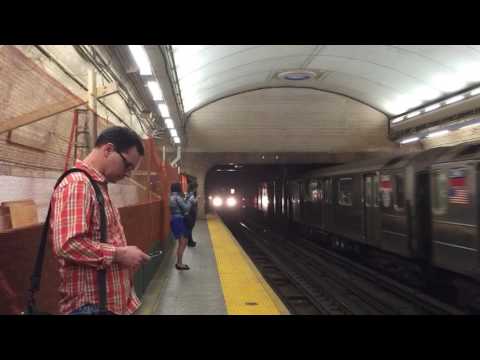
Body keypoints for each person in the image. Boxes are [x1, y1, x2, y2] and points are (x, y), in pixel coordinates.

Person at [49, 126, 151, 315]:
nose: (128, 173)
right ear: (108, 150)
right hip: (91, 306)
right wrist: (120, 254)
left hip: (104, 305)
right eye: (127, 165)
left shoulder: (96, 186)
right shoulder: (79, 184)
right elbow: (67, 244)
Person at [169, 182, 192, 270]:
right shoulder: (177, 197)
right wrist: (190, 201)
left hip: (175, 220)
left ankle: (179, 263)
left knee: (182, 243)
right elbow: (186, 208)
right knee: (182, 243)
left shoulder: (171, 197)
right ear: (178, 188)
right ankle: (179, 264)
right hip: (180, 220)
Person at [185, 182, 198, 247]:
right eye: (196, 188)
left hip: (187, 213)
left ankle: (190, 241)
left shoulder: (187, 194)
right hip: (190, 213)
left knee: (189, 228)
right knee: (190, 227)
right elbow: (193, 201)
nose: (196, 189)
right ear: (194, 188)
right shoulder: (191, 194)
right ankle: (189, 242)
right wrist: (198, 198)